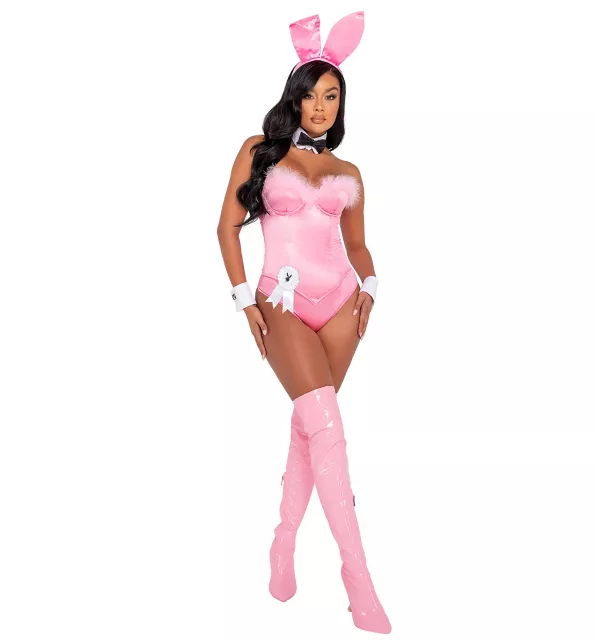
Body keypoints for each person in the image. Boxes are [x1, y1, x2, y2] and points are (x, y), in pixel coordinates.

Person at [217, 11, 391, 635]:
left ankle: (284, 541)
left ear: (341, 104)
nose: (320, 107)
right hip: (280, 305)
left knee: (312, 428)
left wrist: (371, 287)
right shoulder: (258, 151)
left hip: (342, 303)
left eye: (331, 96)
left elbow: (358, 246)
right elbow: (226, 228)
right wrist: (244, 300)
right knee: (327, 428)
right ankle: (359, 579)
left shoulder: (350, 174)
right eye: (311, 95)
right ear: (294, 96)